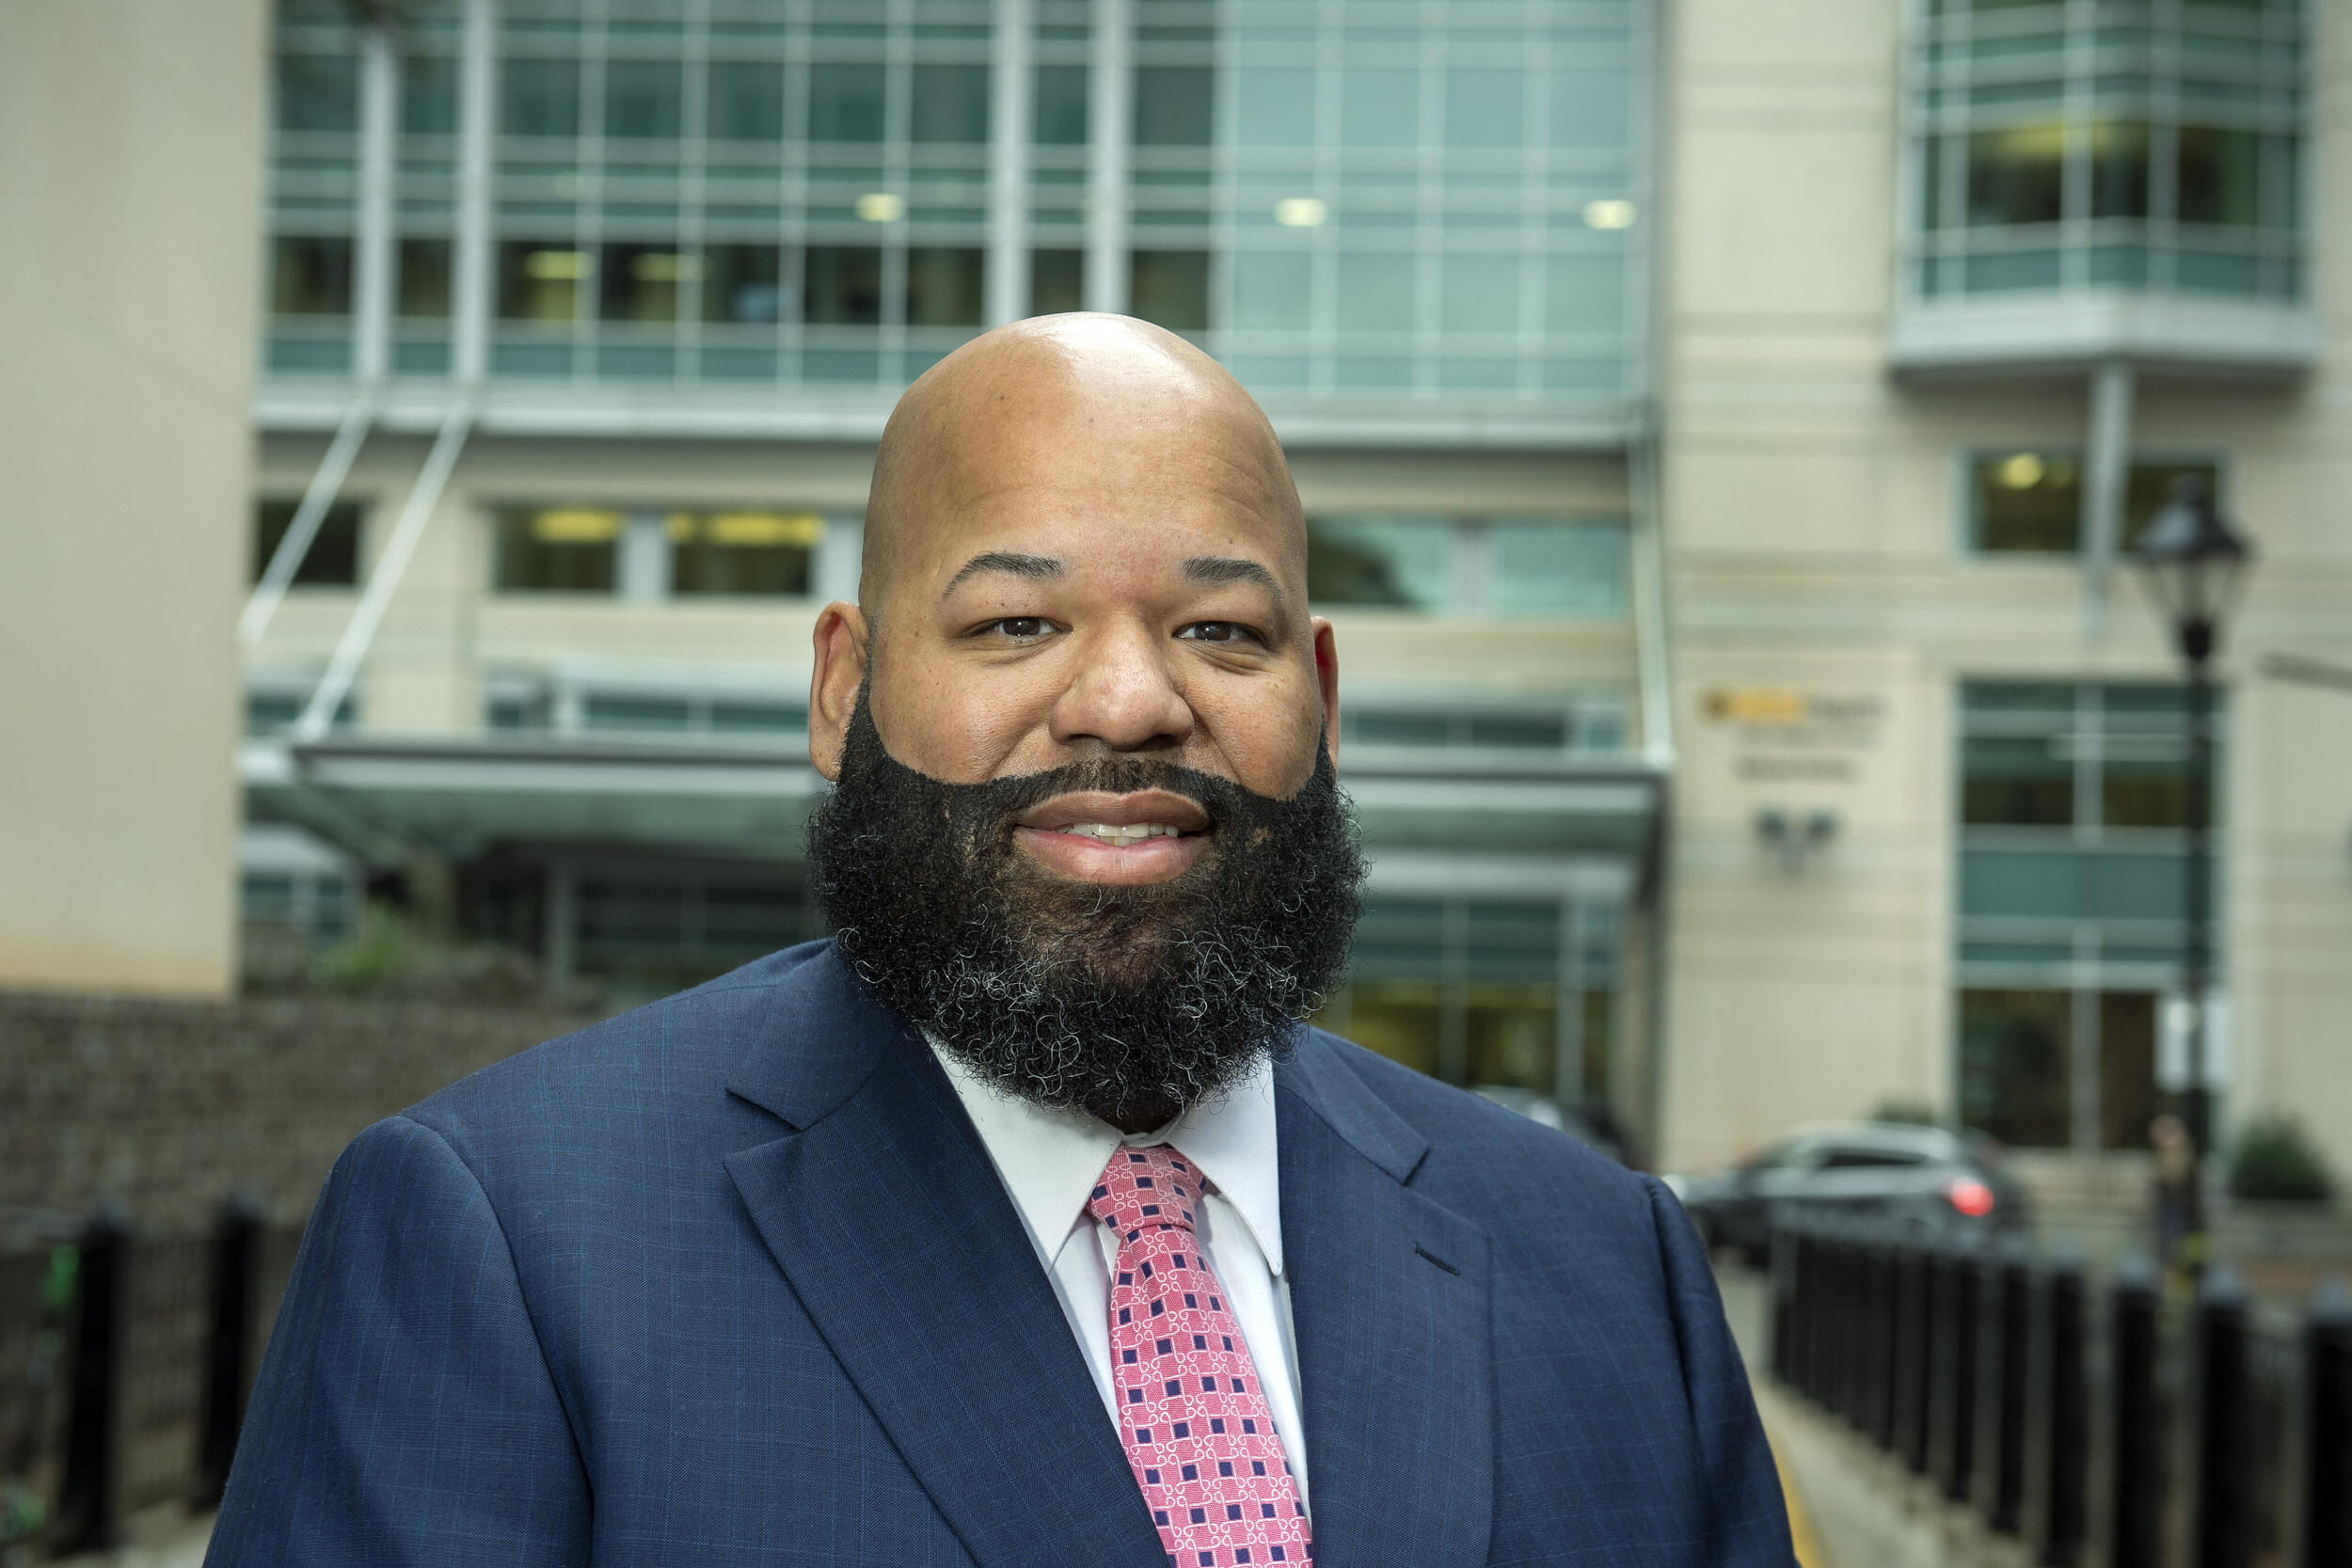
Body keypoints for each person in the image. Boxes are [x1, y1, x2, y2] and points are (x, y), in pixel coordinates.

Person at [209, 316, 1794, 1566]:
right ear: (847, 689)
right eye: (1015, 623)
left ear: (1322, 692)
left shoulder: (1608, 1269)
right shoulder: (506, 1243)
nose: (1128, 701)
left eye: (1220, 631)